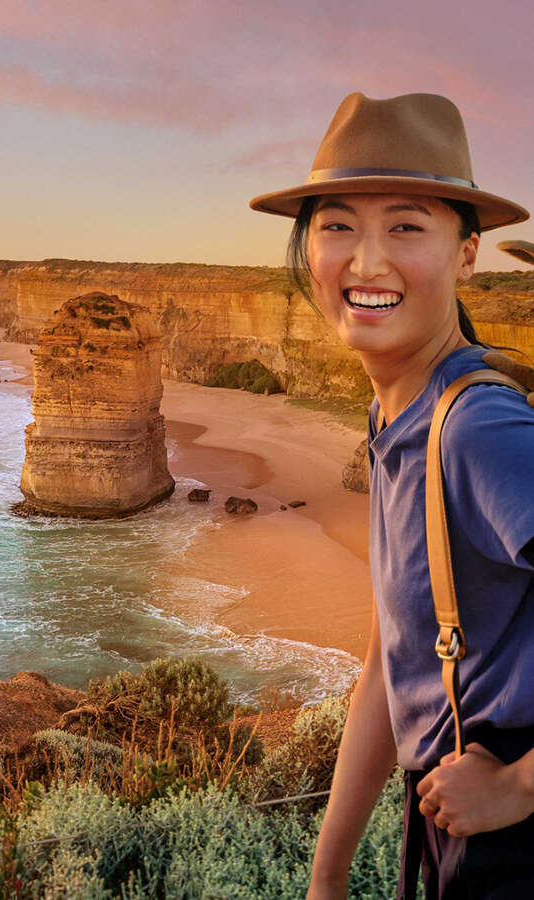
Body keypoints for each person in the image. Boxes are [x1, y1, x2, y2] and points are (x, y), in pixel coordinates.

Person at [249, 92, 534, 899]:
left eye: (405, 226)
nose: (364, 262)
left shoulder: (477, 429)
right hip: (451, 822)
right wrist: (327, 874)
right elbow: (391, 660)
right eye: (337, 225)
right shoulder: (396, 416)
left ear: (467, 253)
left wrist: (518, 786)